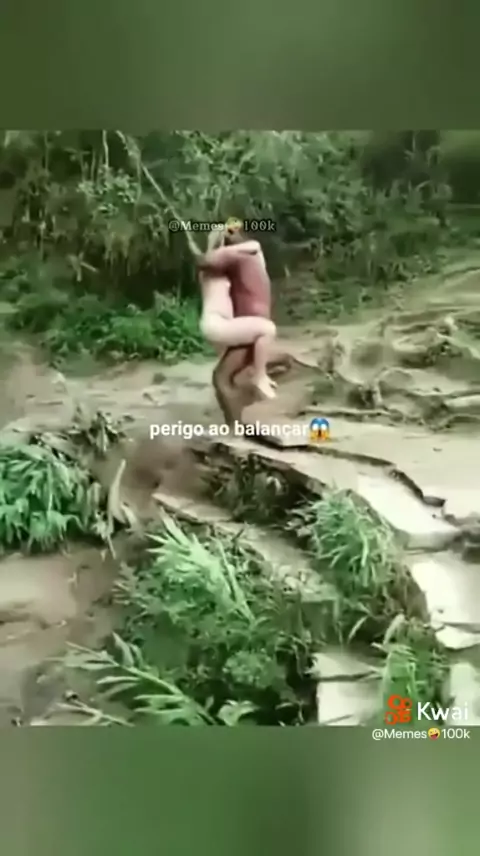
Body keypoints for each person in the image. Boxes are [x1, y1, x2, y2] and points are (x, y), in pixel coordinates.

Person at [197, 226, 277, 400]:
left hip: (221, 323)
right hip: (217, 323)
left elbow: (254, 249)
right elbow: (251, 248)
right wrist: (220, 241)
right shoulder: (213, 268)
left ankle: (252, 383)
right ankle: (260, 377)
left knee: (235, 367)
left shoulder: (226, 267)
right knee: (268, 329)